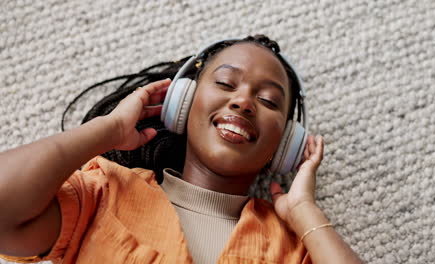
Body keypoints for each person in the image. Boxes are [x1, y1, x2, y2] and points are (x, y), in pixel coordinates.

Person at [0, 35, 362, 263]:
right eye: (225, 82)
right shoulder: (105, 195)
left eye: (268, 101)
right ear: (182, 104)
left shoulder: (296, 248)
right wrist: (107, 129)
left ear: (285, 145)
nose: (244, 102)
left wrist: (306, 213)